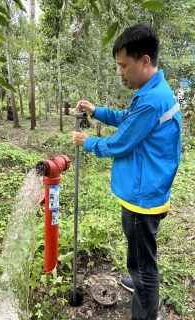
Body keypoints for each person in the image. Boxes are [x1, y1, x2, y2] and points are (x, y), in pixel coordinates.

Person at [72, 23, 182, 320]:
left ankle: (145, 309)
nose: (120, 72)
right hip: (148, 186)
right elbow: (127, 119)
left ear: (144, 61)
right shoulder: (152, 92)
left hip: (142, 196)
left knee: (145, 265)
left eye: (123, 66)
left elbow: (121, 144)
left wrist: (88, 142)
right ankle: (139, 278)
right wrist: (98, 111)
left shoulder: (151, 100)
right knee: (140, 250)